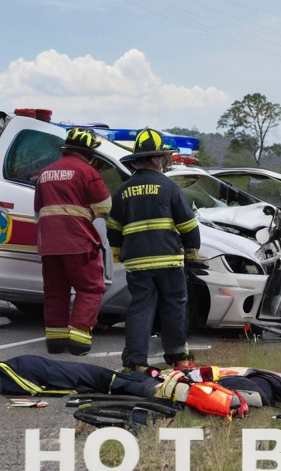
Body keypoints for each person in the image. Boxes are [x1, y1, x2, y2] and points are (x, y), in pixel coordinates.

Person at [107, 129, 201, 372]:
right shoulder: (169, 187)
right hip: (168, 261)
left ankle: (135, 363)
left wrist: (118, 253)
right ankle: (178, 358)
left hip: (137, 263)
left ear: (137, 160)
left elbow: (113, 228)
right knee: (174, 306)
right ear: (157, 158)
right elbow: (188, 224)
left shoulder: (123, 191)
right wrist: (192, 252)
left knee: (141, 307)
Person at [33, 127, 112, 356]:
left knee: (55, 290)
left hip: (49, 244)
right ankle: (78, 341)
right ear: (88, 152)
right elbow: (104, 207)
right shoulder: (87, 172)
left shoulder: (45, 173)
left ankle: (55, 342)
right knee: (90, 288)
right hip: (78, 242)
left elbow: (38, 210)